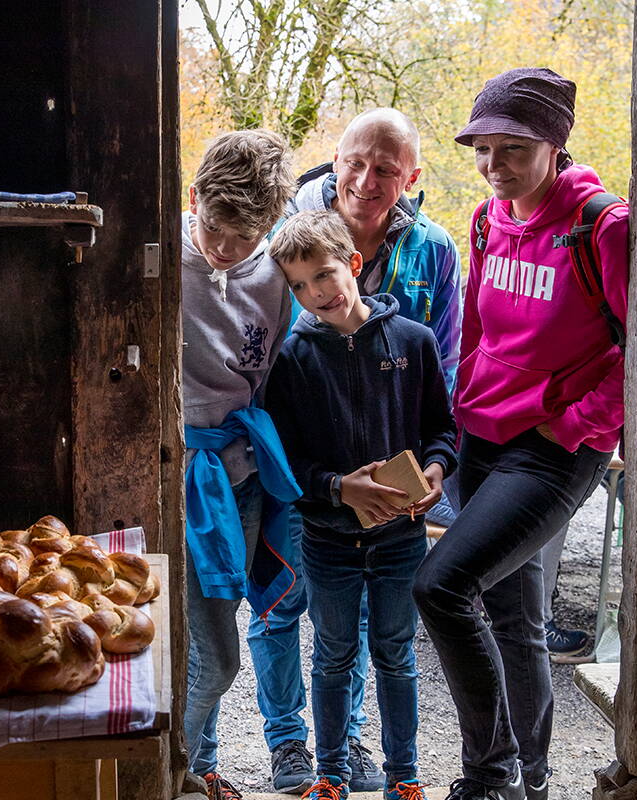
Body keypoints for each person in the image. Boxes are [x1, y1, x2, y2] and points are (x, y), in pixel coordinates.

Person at [412, 68, 628, 800]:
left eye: (513, 149)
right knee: (515, 617)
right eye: (483, 147)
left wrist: (576, 427)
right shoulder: (484, 219)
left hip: (555, 449)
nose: (493, 165)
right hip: (483, 433)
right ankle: (530, 783)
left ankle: (489, 776)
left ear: (554, 145)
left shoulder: (602, 225)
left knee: (442, 588)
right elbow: (474, 334)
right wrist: (453, 423)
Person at [250, 108, 463, 794]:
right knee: (305, 628)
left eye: (387, 169)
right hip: (323, 526)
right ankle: (306, 757)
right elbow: (287, 452)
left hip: (399, 530)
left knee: (391, 649)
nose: (318, 294)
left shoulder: (423, 293)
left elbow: (442, 414)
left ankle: (391, 767)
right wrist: (337, 489)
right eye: (355, 161)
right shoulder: (291, 325)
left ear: (356, 265)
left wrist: (434, 471)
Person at [181, 128, 301, 800]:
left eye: (244, 238)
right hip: (174, 479)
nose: (225, 250)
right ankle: (173, 772)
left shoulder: (275, 275)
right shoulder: (161, 249)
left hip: (243, 480)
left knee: (216, 636)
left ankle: (201, 769)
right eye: (216, 229)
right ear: (194, 198)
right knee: (214, 660)